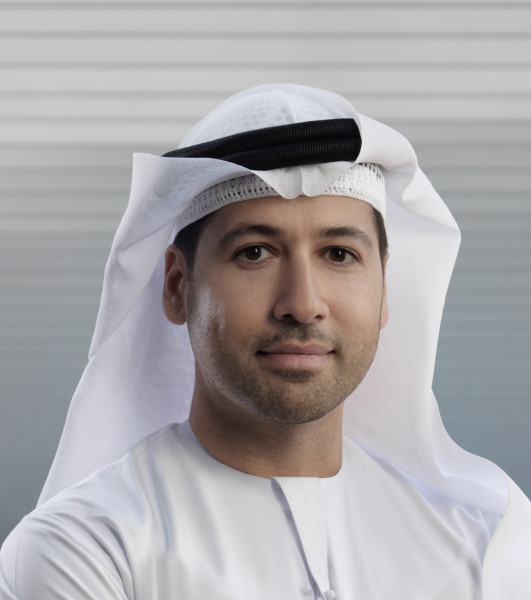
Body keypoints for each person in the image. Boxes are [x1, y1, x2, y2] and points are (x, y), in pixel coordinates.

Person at [0, 84, 530, 599]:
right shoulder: (84, 549)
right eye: (255, 252)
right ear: (178, 286)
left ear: (384, 289)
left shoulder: (485, 541)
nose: (302, 303)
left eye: (339, 254)